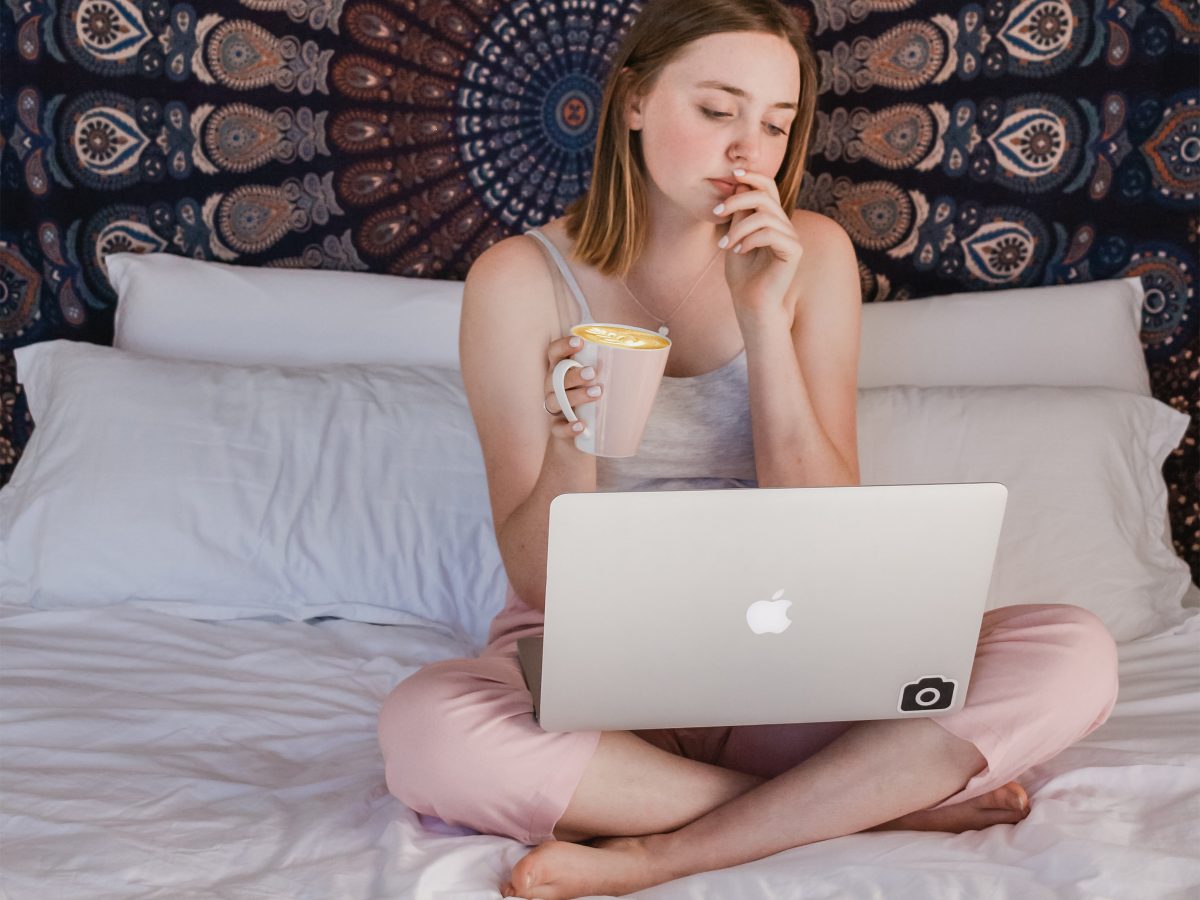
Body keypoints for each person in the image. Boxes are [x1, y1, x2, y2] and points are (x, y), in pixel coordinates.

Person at [377, 1, 1120, 896]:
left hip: (791, 649)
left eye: (775, 124)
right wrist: (576, 441)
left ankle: (665, 848)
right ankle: (859, 800)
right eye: (718, 110)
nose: (749, 153)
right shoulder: (520, 280)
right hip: (594, 660)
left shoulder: (811, 254)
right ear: (635, 102)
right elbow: (538, 581)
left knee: (1073, 651)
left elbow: (827, 529)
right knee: (428, 731)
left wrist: (763, 320)